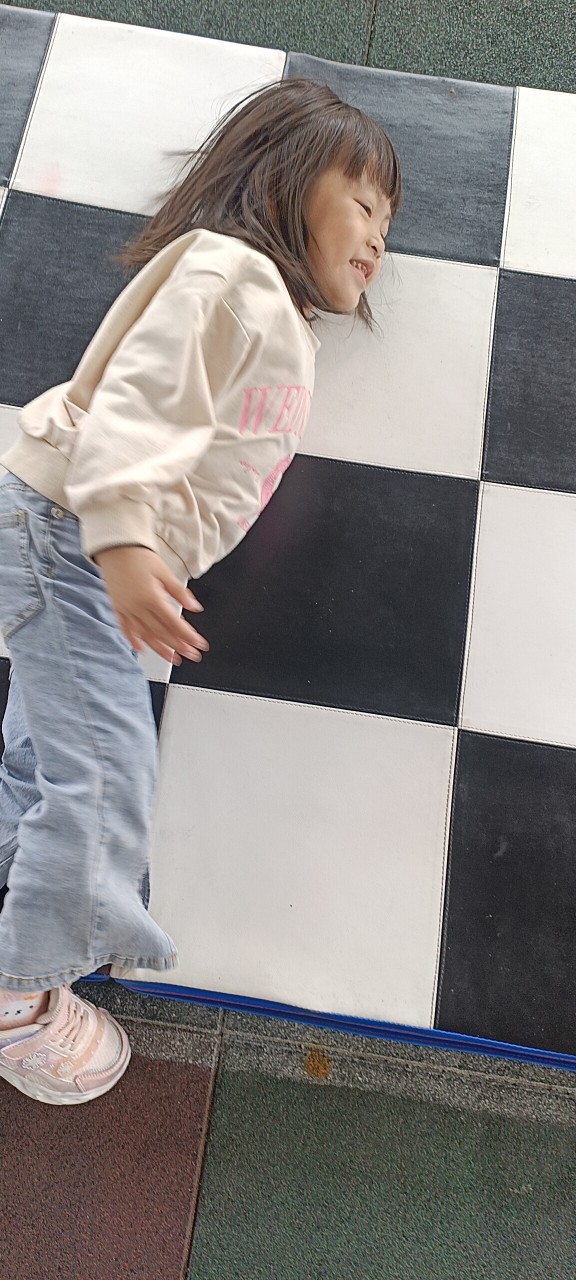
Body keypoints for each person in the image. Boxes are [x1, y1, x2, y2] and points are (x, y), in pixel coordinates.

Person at [0, 77, 401, 1105]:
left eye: (387, 225)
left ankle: (19, 913)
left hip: (81, 542)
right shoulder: (233, 275)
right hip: (73, 529)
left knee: (49, 759)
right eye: (365, 204)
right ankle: (17, 991)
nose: (377, 239)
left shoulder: (275, 315)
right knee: (105, 775)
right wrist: (124, 538)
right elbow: (140, 399)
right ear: (287, 182)